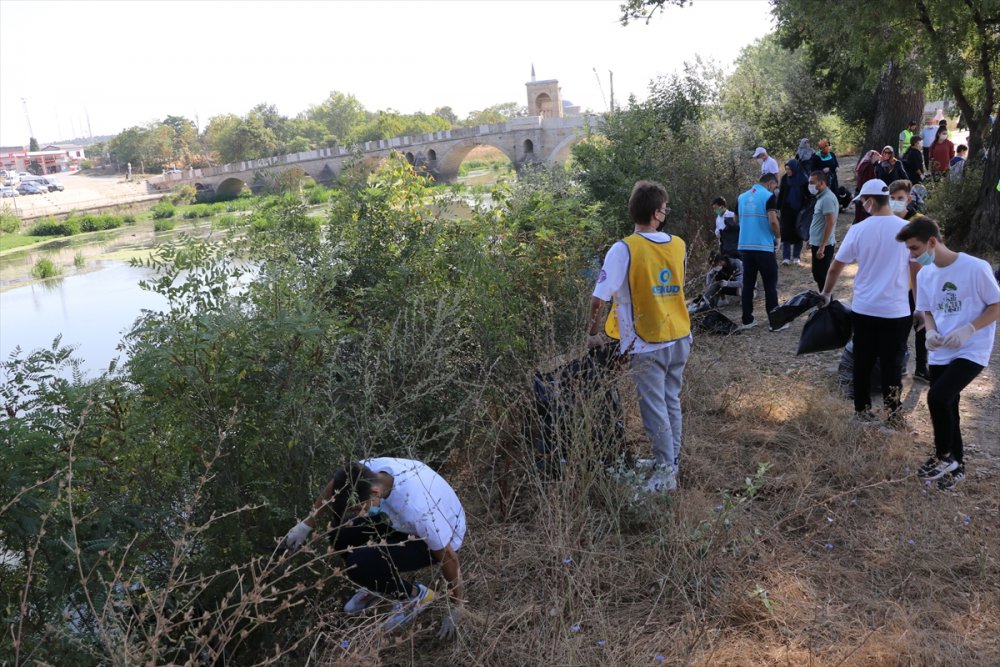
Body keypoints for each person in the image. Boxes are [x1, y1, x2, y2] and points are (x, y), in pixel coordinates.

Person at [283, 458, 466, 638]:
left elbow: (448, 557)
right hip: (398, 520)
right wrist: (307, 523)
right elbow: (336, 483)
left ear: (375, 491)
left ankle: (415, 596)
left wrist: (456, 607)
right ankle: (378, 584)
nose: (357, 513)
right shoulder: (369, 471)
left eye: (357, 508)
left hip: (440, 537)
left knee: (358, 564)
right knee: (340, 534)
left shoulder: (419, 511)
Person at [588, 180, 691, 493]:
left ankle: (665, 475)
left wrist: (593, 333)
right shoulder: (678, 244)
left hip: (647, 344)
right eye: (665, 208)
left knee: (654, 409)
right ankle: (670, 461)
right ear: (657, 213)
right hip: (680, 336)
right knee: (671, 401)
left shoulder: (623, 249)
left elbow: (598, 299)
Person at [897, 216, 1000, 489]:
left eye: (915, 248)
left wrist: (970, 329)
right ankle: (957, 467)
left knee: (938, 396)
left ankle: (943, 456)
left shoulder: (976, 268)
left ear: (932, 242)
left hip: (971, 348)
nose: (912, 255)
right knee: (949, 404)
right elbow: (928, 310)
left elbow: (996, 304)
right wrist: (930, 331)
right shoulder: (927, 273)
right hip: (942, 349)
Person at [820, 179, 916, 426]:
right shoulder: (908, 230)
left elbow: (835, 268)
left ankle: (862, 412)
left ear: (870, 201)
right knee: (892, 365)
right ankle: (893, 417)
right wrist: (920, 306)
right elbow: (917, 273)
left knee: (862, 362)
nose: (863, 206)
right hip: (897, 311)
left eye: (863, 201)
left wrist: (826, 294)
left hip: (864, 310)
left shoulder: (859, 229)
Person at [889, 180, 929, 383]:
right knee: (899, 330)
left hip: (919, 286)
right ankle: (900, 364)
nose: (896, 203)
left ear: (909, 199)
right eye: (893, 199)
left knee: (922, 328)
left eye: (900, 199)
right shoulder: (886, 222)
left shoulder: (919, 222)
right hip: (897, 286)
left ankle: (922, 368)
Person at [736, 173, 782, 331]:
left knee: (748, 284)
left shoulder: (741, 197)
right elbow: (773, 220)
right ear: (770, 183)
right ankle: (775, 322)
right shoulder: (768, 197)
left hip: (745, 247)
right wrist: (778, 236)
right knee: (770, 285)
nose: (775, 190)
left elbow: (736, 219)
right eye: (775, 187)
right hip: (763, 247)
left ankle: (747, 320)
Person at [808, 170, 839, 292]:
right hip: (817, 242)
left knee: (822, 277)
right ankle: (825, 303)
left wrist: (822, 246)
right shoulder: (821, 197)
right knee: (818, 275)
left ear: (821, 183)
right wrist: (812, 239)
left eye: (812, 183)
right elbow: (818, 221)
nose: (809, 185)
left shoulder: (827, 198)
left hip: (823, 245)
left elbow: (830, 222)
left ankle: (827, 304)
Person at [777, 159, 808, 265]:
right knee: (785, 233)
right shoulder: (785, 178)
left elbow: (807, 195)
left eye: (789, 169)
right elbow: (781, 194)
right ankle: (786, 257)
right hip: (786, 210)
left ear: (795, 168)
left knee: (798, 233)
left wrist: (807, 208)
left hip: (799, 211)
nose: (788, 171)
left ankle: (796, 256)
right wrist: (778, 207)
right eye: (786, 169)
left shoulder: (803, 178)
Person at [853, 149, 881, 223]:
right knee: (863, 214)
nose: (877, 158)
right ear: (872, 156)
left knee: (859, 214)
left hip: (860, 190)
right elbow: (868, 180)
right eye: (876, 156)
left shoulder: (864, 164)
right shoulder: (868, 165)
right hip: (865, 193)